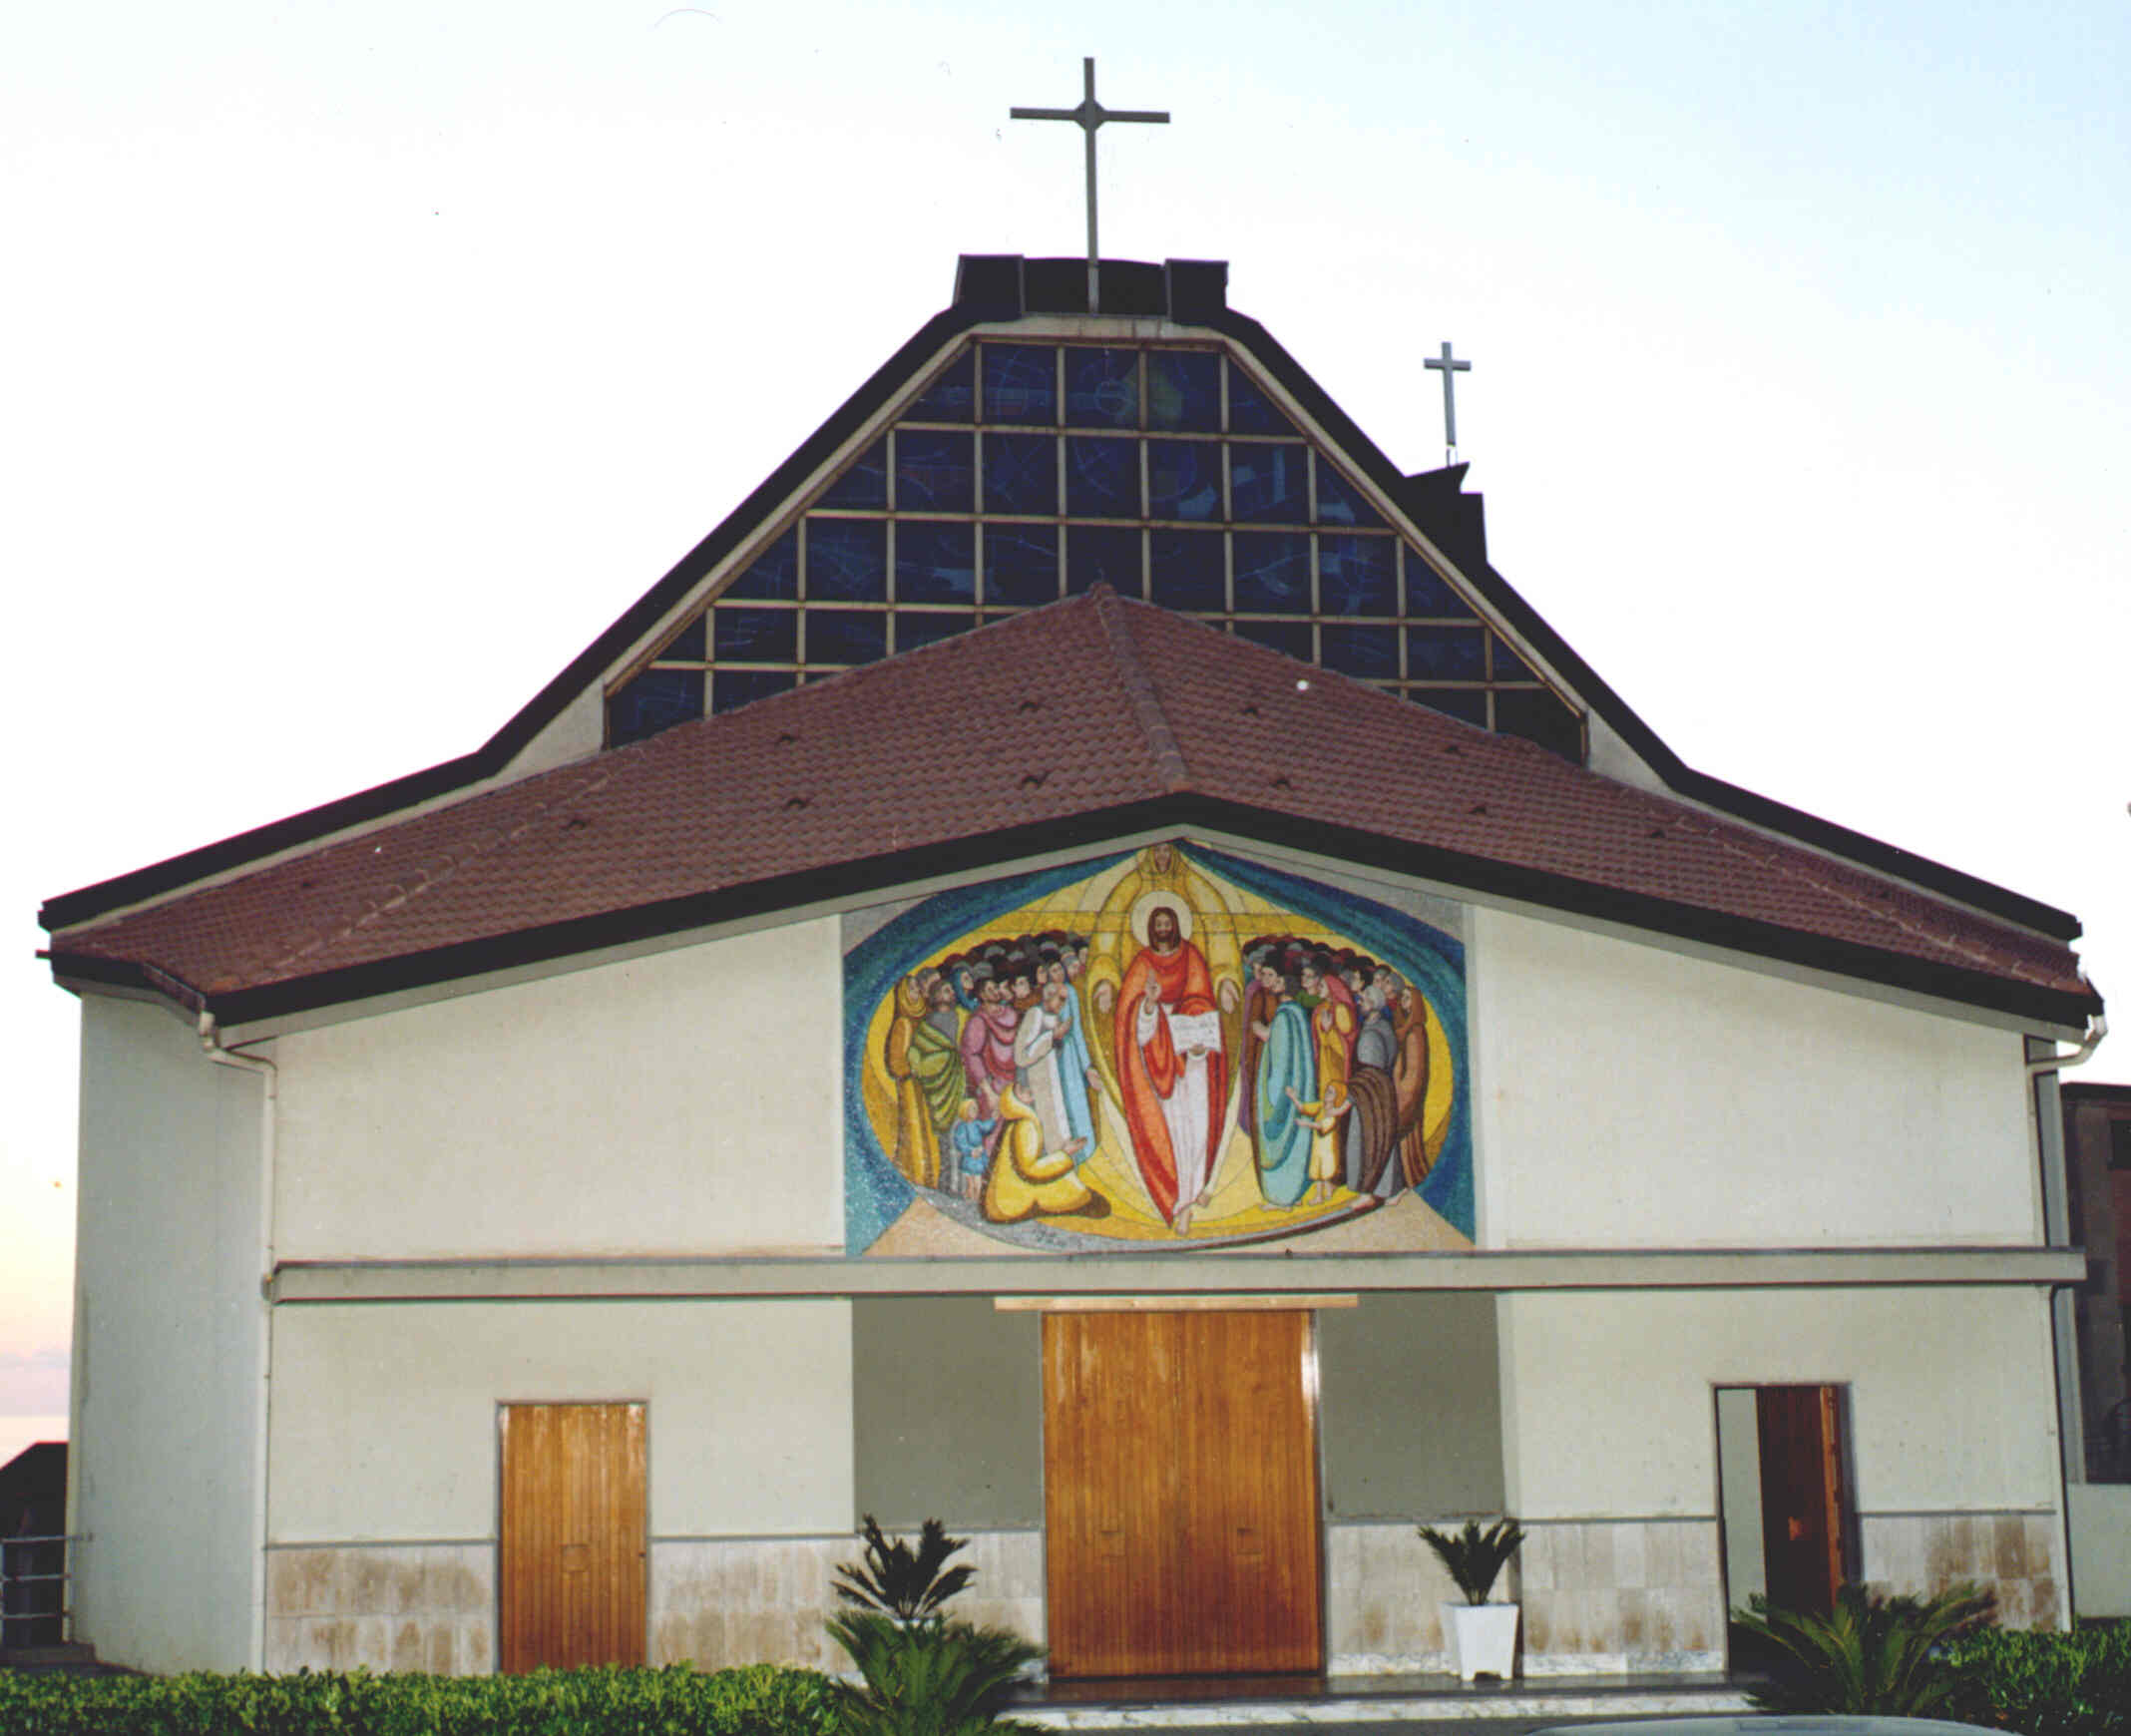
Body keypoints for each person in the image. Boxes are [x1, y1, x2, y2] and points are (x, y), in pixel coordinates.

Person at [1102, 902, 1230, 1231]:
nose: (1162, 928)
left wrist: (1198, 1036)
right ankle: (1182, 1201)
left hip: (1195, 1057)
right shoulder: (1143, 964)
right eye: (1156, 923)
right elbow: (1132, 1022)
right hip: (1161, 1059)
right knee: (1175, 1134)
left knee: (1200, 1129)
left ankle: (1195, 1190)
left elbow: (1202, 1000)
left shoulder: (1191, 957)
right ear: (1149, 928)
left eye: (1166, 922)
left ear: (1175, 925)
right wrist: (1149, 1003)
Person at [982, 1087, 1108, 1224]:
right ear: (1014, 1100)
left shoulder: (1020, 1121)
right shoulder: (1025, 1125)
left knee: (1078, 1190)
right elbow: (1029, 1170)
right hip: (1010, 1201)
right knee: (1086, 1198)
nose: (1026, 1089)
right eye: (1020, 1091)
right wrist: (1065, 1154)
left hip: (1007, 1194)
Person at [1252, 959, 1316, 1208]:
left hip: (1283, 1093)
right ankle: (1294, 1194)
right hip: (1298, 1086)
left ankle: (1282, 1197)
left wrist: (1257, 1027)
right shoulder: (1298, 1013)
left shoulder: (1284, 1016)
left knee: (1278, 1141)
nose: (1272, 983)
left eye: (1277, 980)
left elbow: (1277, 1051)